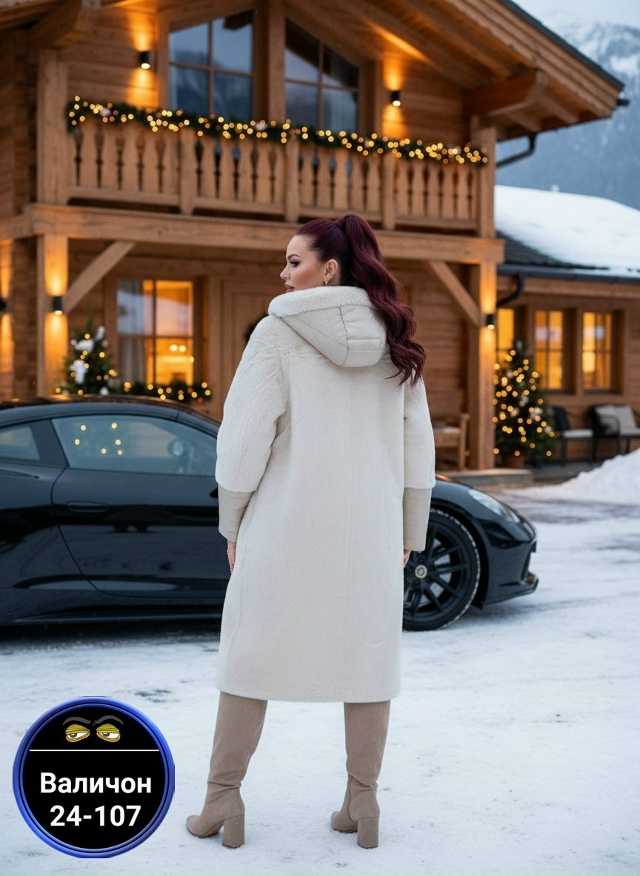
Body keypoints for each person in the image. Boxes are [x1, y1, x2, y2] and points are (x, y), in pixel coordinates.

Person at [186, 213, 435, 849]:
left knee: (249, 655)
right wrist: (409, 530)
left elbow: (243, 439)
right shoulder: (396, 338)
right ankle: (362, 801)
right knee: (368, 661)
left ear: (329, 270)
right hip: (372, 533)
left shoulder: (276, 332)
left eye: (294, 261)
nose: (283, 272)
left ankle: (222, 799)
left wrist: (232, 518)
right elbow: (418, 448)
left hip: (283, 525)